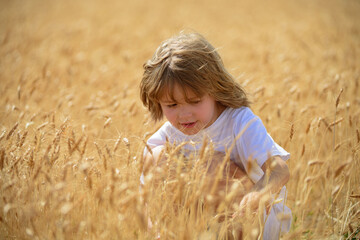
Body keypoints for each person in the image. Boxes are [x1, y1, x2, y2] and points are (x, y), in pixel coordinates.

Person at [139, 31, 291, 240]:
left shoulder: (239, 121)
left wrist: (259, 193)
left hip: (254, 222)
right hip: (203, 228)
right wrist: (154, 229)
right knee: (156, 157)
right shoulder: (166, 136)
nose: (184, 114)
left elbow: (280, 170)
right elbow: (147, 200)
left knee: (213, 166)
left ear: (215, 90)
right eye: (172, 105)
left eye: (194, 101)